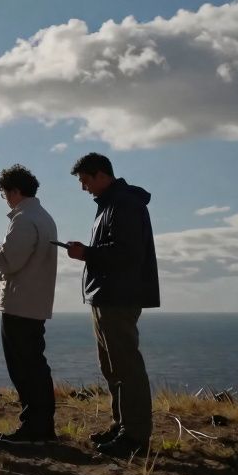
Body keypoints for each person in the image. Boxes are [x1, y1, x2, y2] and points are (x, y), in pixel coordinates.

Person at [64, 152, 160, 458]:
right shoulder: (111, 204)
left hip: (118, 296)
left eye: (84, 180)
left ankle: (134, 436)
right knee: (113, 366)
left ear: (100, 175)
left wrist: (87, 254)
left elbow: (126, 253)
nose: (83, 188)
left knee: (125, 366)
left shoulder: (124, 203)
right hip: (107, 295)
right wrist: (89, 253)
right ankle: (123, 428)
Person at [0, 164, 58, 444]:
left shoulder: (24, 219)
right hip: (34, 302)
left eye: (4, 194)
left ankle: (34, 426)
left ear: (14, 191)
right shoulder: (43, 216)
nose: (5, 199)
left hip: (20, 303)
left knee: (24, 367)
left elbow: (9, 262)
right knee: (34, 363)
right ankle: (41, 424)